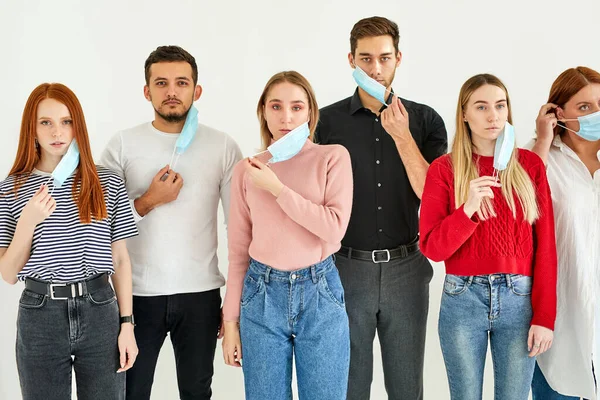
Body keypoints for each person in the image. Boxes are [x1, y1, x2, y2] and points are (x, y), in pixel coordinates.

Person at [315, 16, 448, 399]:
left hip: (407, 270)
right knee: (349, 387)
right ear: (351, 60)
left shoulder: (425, 120)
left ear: (398, 59)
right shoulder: (325, 122)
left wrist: (403, 137)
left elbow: (432, 195)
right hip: (343, 269)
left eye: (384, 58)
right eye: (366, 58)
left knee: (407, 388)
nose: (375, 68)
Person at [100, 45, 242, 400]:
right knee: (131, 392)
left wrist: (233, 306)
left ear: (197, 91)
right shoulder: (122, 145)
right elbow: (99, 228)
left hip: (201, 295)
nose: (172, 91)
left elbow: (238, 228)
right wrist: (148, 201)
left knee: (197, 392)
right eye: (161, 83)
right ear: (147, 91)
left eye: (181, 82)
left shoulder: (222, 146)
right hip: (135, 296)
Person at [419, 73, 557, 400]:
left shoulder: (530, 166)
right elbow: (432, 248)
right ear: (464, 114)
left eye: (500, 105)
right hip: (461, 298)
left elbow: (546, 248)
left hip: (519, 301)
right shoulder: (444, 169)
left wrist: (545, 317)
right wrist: (467, 211)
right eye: (481, 107)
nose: (493, 115)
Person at [0, 82, 139, 400]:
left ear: (78, 125)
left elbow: (120, 260)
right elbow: (8, 274)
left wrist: (127, 325)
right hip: (40, 315)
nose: (56, 132)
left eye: (66, 121)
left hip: (99, 308)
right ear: (31, 129)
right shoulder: (10, 190)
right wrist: (28, 222)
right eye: (45, 122)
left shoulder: (107, 181)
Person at [221, 70, 353, 400]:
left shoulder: (332, 157)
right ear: (263, 111)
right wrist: (230, 323)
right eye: (276, 106)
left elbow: (333, 229)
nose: (287, 117)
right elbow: (238, 250)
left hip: (319, 292)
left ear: (310, 112)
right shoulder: (246, 170)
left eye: (297, 107)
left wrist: (278, 189)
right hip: (261, 294)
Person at [529, 66, 600, 400]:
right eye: (584, 107)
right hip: (559, 317)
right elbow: (517, 210)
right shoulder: (540, 156)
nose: (596, 113)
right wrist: (544, 141)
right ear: (558, 113)